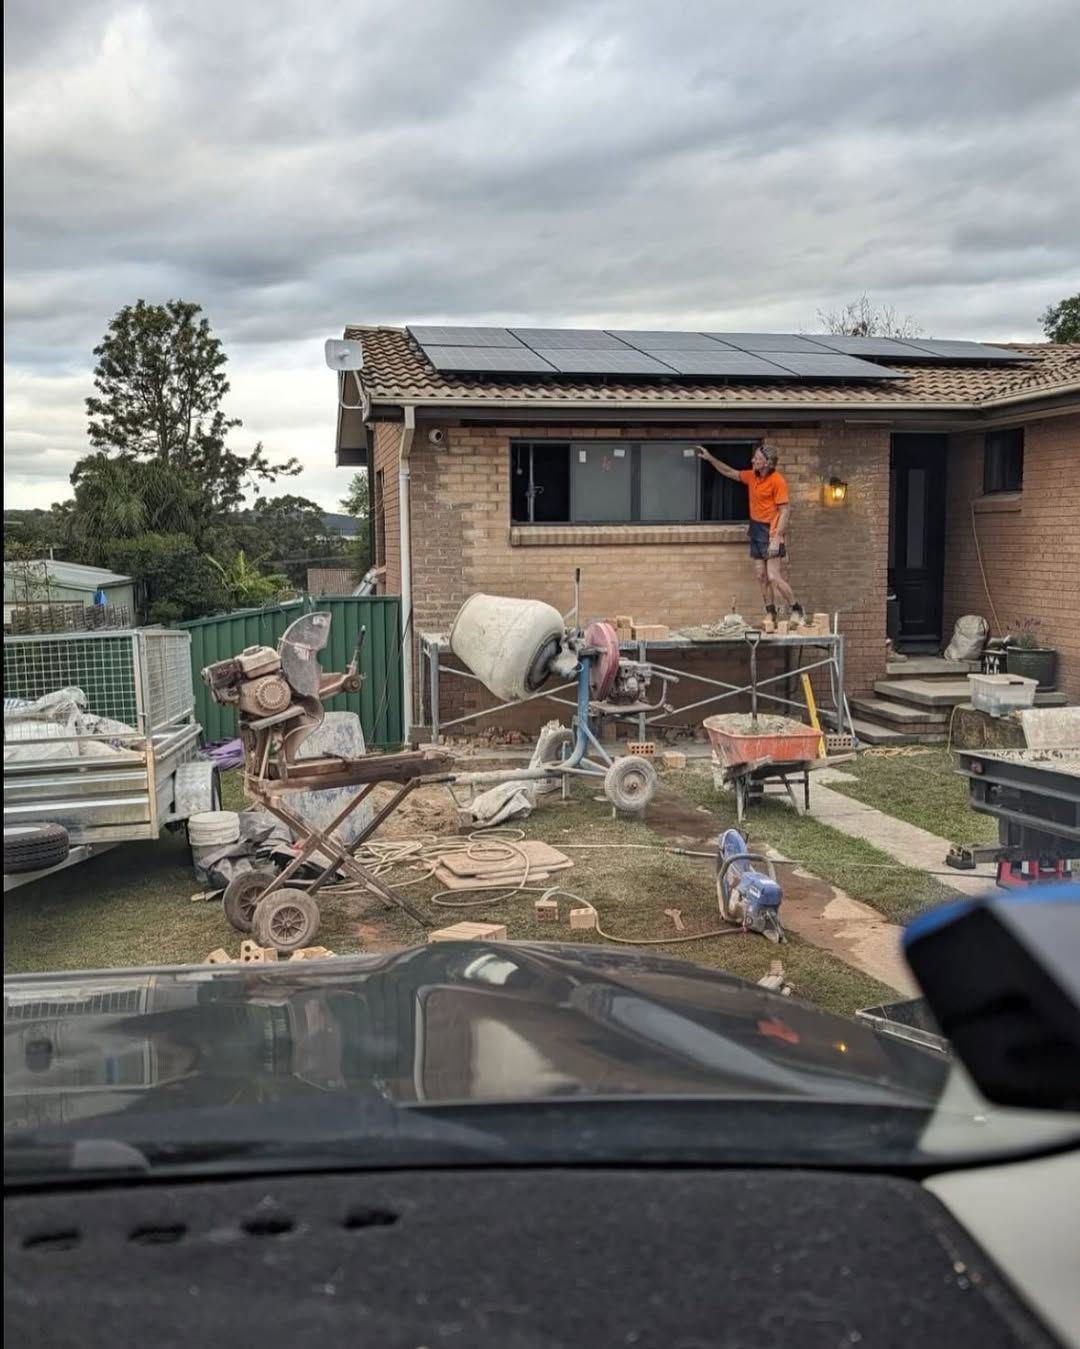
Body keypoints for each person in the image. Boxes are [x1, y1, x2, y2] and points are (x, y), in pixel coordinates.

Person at [696, 443, 806, 626]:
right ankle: (771, 613)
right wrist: (710, 458)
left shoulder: (777, 480)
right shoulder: (752, 477)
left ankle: (797, 609)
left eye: (757, 458)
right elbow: (730, 472)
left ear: (767, 463)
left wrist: (777, 537)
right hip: (756, 529)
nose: (752, 460)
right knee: (761, 576)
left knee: (773, 576)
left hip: (771, 531)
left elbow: (785, 511)